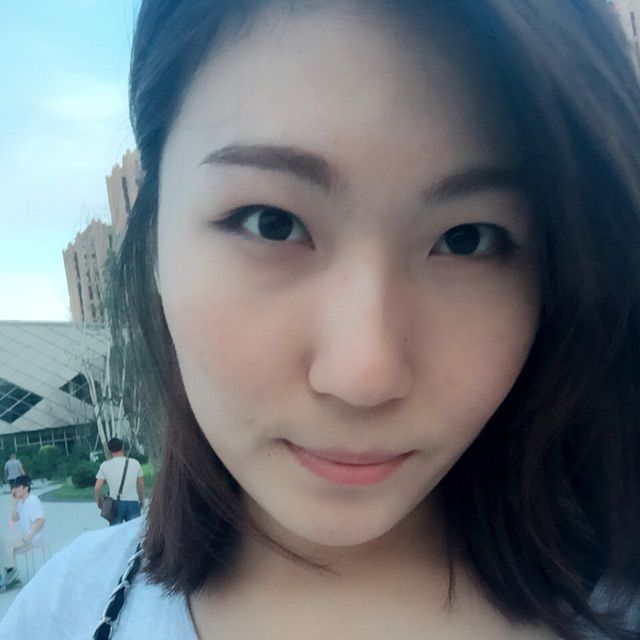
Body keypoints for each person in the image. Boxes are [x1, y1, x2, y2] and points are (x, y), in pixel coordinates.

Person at [2, 0, 640, 638]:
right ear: (153, 245)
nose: (364, 377)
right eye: (272, 223)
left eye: (468, 238)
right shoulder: (63, 615)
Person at [2, 476, 45, 586]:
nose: (14, 490)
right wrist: (14, 503)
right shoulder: (21, 502)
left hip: (33, 538)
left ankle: (11, 573)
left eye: (17, 487)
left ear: (25, 488)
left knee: (6, 545)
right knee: (4, 548)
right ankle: (11, 575)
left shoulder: (33, 500)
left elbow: (40, 520)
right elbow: (14, 518)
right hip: (25, 539)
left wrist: (30, 535)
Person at [94, 438, 145, 525]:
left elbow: (97, 487)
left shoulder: (105, 465)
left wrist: (99, 502)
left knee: (115, 531)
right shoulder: (135, 463)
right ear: (122, 447)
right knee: (134, 531)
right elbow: (141, 484)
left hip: (115, 504)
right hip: (133, 502)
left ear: (109, 450)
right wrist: (141, 500)